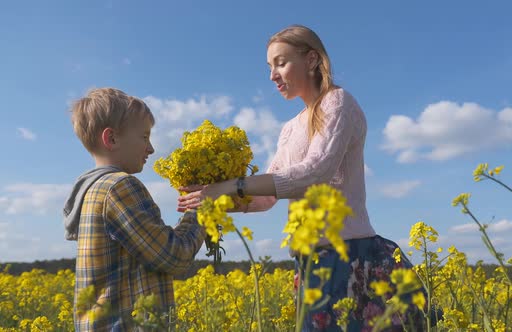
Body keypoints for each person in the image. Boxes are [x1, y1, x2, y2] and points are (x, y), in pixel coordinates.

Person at [177, 25, 425, 331]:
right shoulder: (290, 128)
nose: (272, 76)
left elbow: (315, 172)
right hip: (308, 259)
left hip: (349, 254)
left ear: (310, 60)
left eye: (281, 63)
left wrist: (231, 185)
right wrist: (210, 199)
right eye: (269, 67)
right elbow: (267, 195)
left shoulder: (338, 102)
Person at [63, 87, 206, 331]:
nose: (150, 148)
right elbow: (174, 256)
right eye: (144, 137)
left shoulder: (89, 191)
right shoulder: (120, 187)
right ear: (112, 139)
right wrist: (201, 208)